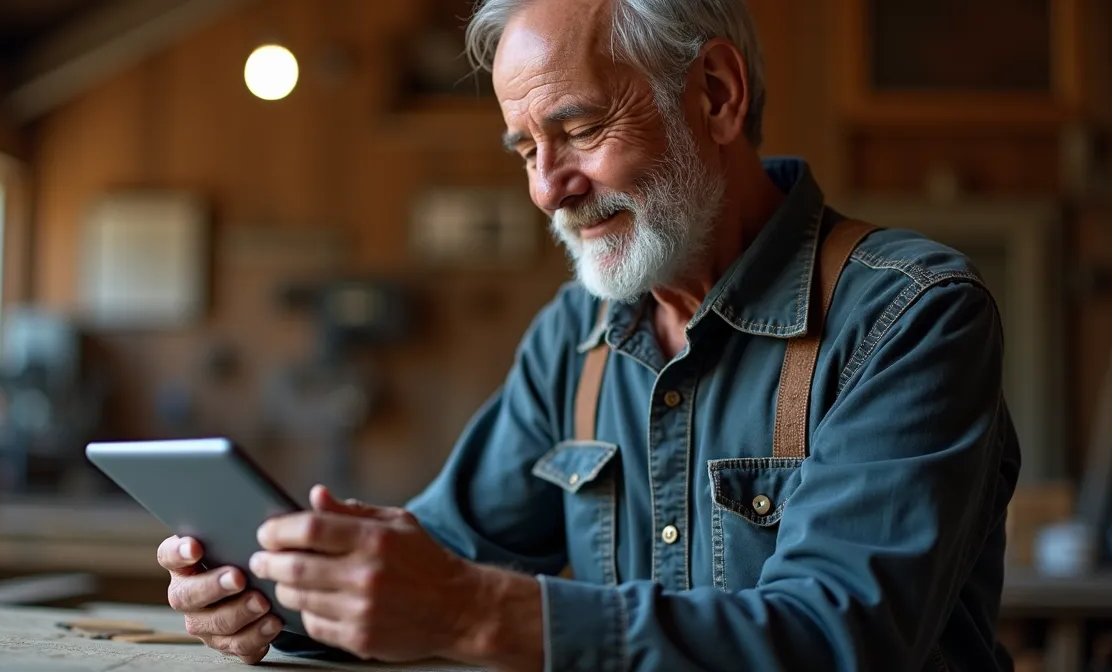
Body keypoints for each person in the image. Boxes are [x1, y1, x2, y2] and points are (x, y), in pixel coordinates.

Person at [156, 0, 1021, 669]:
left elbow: (840, 640)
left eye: (575, 130)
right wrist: (283, 598)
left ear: (716, 96)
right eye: (525, 148)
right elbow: (436, 560)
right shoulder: (576, 335)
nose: (547, 189)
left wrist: (473, 612)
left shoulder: (910, 314)